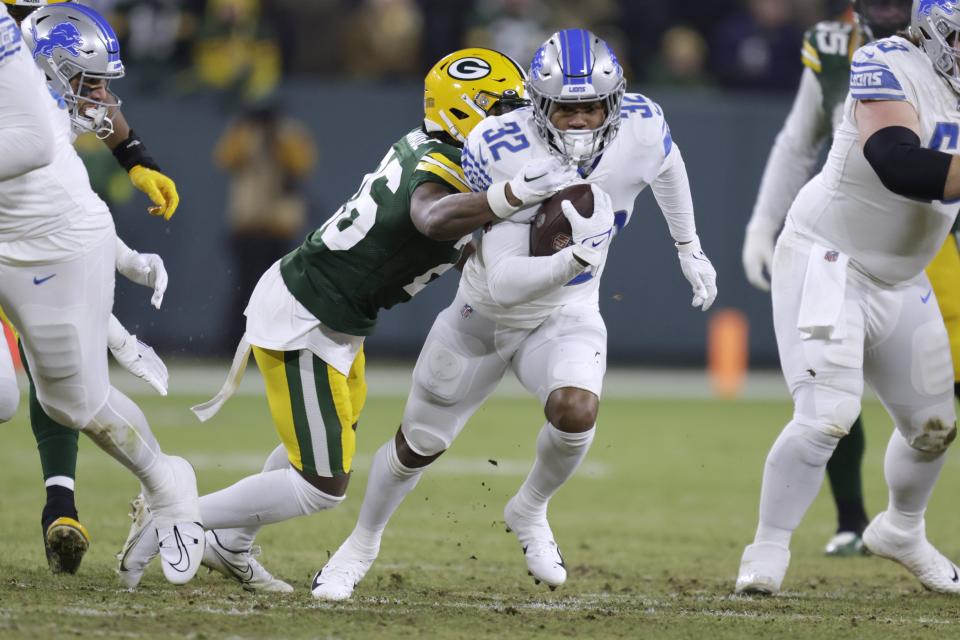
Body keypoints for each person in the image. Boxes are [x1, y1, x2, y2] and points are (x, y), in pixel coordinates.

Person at [116, 47, 559, 592]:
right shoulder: (442, 163)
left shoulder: (447, 151)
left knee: (329, 441)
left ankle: (231, 545)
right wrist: (509, 197)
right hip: (308, 314)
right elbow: (431, 216)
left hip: (338, 316)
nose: (516, 123)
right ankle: (173, 515)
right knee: (322, 483)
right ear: (466, 111)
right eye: (503, 108)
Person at [311, 28, 718, 601]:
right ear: (539, 104)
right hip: (485, 315)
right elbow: (503, 279)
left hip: (566, 312)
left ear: (616, 101)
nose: (579, 122)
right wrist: (577, 256)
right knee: (416, 445)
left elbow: (667, 166)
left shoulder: (643, 125)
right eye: (566, 109)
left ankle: (529, 508)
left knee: (576, 412)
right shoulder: (502, 145)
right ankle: (361, 544)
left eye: (591, 108)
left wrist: (688, 247)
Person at [735, 0, 960, 595]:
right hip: (829, 259)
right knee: (827, 416)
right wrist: (760, 224)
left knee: (934, 427)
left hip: (903, 277)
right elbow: (897, 162)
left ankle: (901, 531)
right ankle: (767, 548)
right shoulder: (883, 60)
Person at [0, 1, 204, 585]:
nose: (103, 100)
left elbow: (52, 153)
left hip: (49, 248)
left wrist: (135, 156)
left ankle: (167, 486)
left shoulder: (30, 75)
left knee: (71, 401)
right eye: (89, 84)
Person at [213, 102, 317, 351]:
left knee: (281, 291)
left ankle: (277, 345)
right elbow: (224, 158)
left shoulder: (289, 133)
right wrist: (248, 131)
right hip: (248, 224)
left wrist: (279, 135)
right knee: (245, 288)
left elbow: (302, 165)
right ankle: (234, 345)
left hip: (279, 225)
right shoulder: (244, 133)